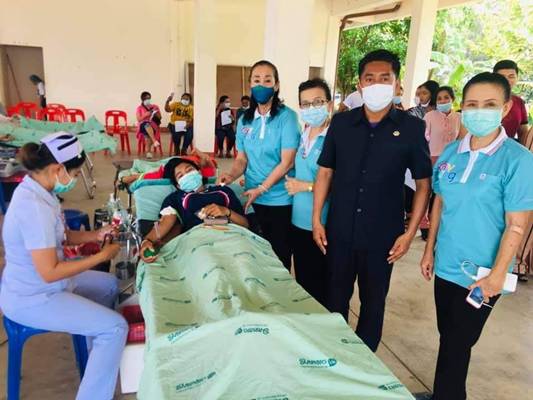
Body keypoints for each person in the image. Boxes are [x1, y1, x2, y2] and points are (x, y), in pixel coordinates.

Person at [420, 72, 533, 400]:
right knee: (448, 336)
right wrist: (429, 250)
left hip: (482, 274)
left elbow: (516, 223)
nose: (479, 111)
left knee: (459, 341)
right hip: (447, 265)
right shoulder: (452, 153)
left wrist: (497, 275)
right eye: (471, 104)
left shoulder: (518, 160)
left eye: (489, 104)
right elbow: (439, 202)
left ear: (506, 107)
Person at [313, 49, 432, 352]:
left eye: (384, 78)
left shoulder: (411, 128)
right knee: (335, 298)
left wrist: (409, 233)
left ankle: (364, 359)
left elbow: (423, 184)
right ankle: (335, 354)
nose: (377, 84)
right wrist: (317, 220)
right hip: (340, 229)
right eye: (370, 78)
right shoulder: (341, 124)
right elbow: (325, 173)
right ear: (360, 84)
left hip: (383, 236)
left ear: (396, 83)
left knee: (373, 301)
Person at [0, 132, 128, 400]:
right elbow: (50, 272)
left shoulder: (41, 191)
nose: (74, 179)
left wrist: (96, 235)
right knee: (116, 327)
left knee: (108, 285)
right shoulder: (33, 207)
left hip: (46, 283)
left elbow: (62, 236)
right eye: (75, 173)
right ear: (58, 169)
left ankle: (97, 356)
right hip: (33, 297)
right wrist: (101, 257)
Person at [218, 60, 300, 270]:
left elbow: (287, 162)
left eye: (267, 80)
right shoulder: (245, 120)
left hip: (280, 199)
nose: (261, 84)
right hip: (251, 197)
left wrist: (262, 188)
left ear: (276, 85)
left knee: (279, 254)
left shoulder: (287, 117)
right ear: (250, 85)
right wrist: (231, 175)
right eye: (256, 80)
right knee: (254, 252)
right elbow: (242, 159)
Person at [140, 157, 249, 262]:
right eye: (180, 175)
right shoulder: (176, 198)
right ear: (178, 185)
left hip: (231, 236)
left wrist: (226, 211)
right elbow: (166, 222)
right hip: (199, 241)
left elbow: (245, 224)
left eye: (189, 170)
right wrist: (147, 241)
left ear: (199, 172)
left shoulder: (223, 191)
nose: (187, 175)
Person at [285, 78, 332, 306]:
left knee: (321, 287)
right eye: (305, 104)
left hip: (322, 224)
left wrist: (306, 186)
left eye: (318, 102)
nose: (311, 108)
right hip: (298, 221)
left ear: (329, 104)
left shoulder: (334, 138)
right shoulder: (303, 135)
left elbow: (342, 184)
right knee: (303, 281)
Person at [424, 86, 461, 164]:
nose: (443, 101)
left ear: (453, 99)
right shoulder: (429, 116)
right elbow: (422, 139)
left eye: (446, 97)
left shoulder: (459, 117)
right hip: (432, 159)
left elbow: (460, 139)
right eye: (439, 99)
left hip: (451, 159)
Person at [493, 59, 529, 142]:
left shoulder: (519, 102)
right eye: (502, 77)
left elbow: (523, 132)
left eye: (511, 76)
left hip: (510, 147)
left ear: (517, 78)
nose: (506, 80)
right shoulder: (483, 98)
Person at [136, 91, 162, 159]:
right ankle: (154, 141)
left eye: (149, 98)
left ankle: (148, 152)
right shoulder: (139, 108)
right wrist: (145, 115)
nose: (148, 100)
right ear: (142, 99)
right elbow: (139, 119)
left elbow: (160, 117)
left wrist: (156, 113)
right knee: (146, 124)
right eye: (146, 98)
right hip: (142, 125)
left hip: (153, 125)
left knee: (147, 134)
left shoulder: (155, 106)